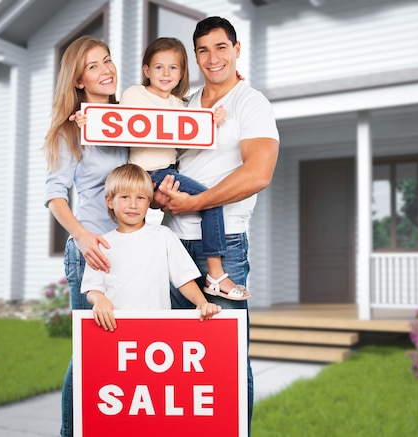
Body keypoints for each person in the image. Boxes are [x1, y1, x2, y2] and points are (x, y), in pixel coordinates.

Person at [155, 16, 280, 434]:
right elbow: (165, 162)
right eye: (204, 49)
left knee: (225, 357)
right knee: (176, 356)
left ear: (237, 49)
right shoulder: (184, 105)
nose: (213, 58)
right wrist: (162, 197)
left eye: (221, 47)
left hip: (222, 248)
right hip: (171, 242)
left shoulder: (251, 103)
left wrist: (197, 202)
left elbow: (258, 173)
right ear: (196, 54)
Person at [105, 36, 250, 301]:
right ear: (147, 70)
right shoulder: (135, 93)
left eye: (173, 68)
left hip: (170, 171)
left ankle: (206, 275)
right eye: (159, 67)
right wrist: (88, 118)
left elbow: (194, 124)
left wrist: (213, 118)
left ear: (182, 72)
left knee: (205, 201)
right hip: (149, 173)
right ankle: (216, 275)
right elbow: (115, 120)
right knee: (210, 200)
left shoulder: (178, 103)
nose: (166, 73)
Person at [43, 35, 128, 437]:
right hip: (91, 251)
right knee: (90, 353)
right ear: (79, 81)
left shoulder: (132, 118)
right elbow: (55, 197)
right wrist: (82, 237)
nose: (106, 70)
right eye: (93, 66)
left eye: (107, 61)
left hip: (132, 250)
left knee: (124, 353)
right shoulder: (69, 131)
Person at [81, 163, 221, 331]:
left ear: (149, 202)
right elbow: (92, 288)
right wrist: (99, 300)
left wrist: (202, 303)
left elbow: (184, 278)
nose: (133, 204)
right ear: (110, 201)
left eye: (140, 198)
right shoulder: (100, 245)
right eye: (125, 197)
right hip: (115, 328)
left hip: (157, 328)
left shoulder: (163, 236)